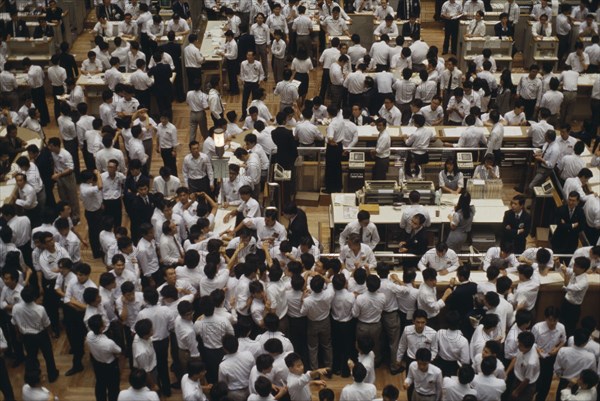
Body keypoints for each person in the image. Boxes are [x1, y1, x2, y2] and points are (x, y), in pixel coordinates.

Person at [11, 286, 59, 382]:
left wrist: (18, 334)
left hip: (27, 336)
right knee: (48, 355)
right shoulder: (40, 309)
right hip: (41, 335)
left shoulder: (16, 308)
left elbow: (15, 323)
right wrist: (51, 333)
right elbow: (47, 324)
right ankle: (52, 375)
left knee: (31, 357)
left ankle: (33, 376)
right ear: (34, 297)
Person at [86, 314, 121, 401]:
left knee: (100, 385)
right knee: (113, 388)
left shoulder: (89, 335)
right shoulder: (108, 343)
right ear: (101, 328)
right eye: (103, 323)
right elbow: (118, 351)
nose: (105, 323)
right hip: (110, 367)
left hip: (97, 364)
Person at [506, 331, 540, 401]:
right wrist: (506, 373)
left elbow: (527, 380)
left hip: (526, 385)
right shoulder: (527, 346)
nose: (518, 346)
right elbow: (516, 358)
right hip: (518, 377)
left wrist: (517, 391)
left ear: (528, 347)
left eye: (520, 345)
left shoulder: (531, 362)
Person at [551, 191, 585, 256]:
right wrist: (572, 225)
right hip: (559, 240)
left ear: (577, 202)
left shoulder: (580, 212)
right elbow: (559, 224)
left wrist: (565, 225)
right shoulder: (560, 210)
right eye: (569, 200)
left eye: (573, 200)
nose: (571, 202)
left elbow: (581, 227)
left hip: (571, 242)